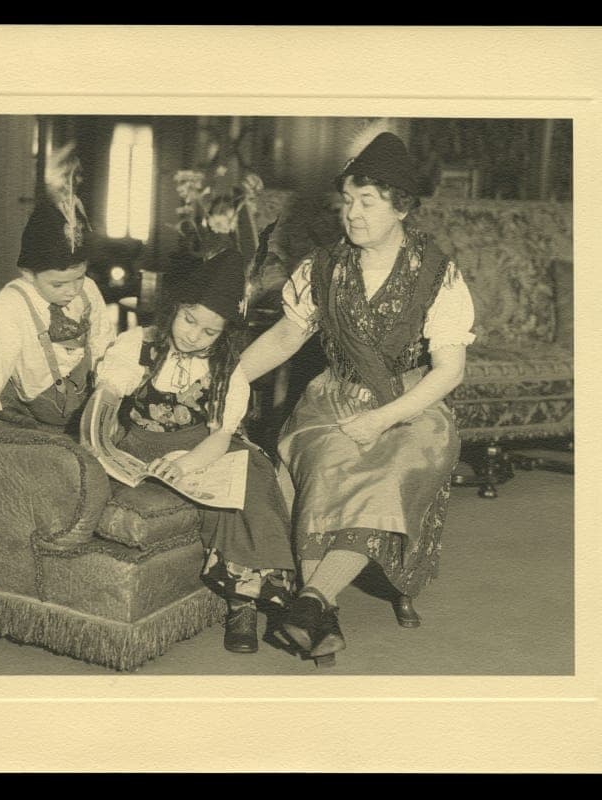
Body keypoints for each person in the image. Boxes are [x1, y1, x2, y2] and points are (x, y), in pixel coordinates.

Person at [238, 132, 476, 663]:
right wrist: (230, 379)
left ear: (401, 208)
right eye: (348, 201)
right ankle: (315, 605)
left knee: (393, 470)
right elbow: (284, 337)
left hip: (413, 404)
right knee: (325, 461)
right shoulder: (321, 267)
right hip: (334, 398)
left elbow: (450, 370)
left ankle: (312, 599)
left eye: (367, 202)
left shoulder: (440, 274)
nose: (353, 213)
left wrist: (382, 420)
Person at [96, 249, 296, 654]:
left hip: (200, 445)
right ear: (174, 308)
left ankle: (242, 603)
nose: (193, 335)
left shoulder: (227, 369)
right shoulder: (139, 344)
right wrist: (101, 416)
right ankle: (241, 595)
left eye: (209, 332)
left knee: (252, 476)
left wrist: (186, 464)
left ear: (224, 334)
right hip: (142, 442)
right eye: (189, 320)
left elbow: (220, 438)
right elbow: (108, 395)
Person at [0, 182, 116, 435]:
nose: (71, 290)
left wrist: (108, 389)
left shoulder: (88, 288)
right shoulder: (10, 303)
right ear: (28, 274)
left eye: (78, 277)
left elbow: (103, 340)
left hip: (90, 392)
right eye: (58, 284)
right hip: (48, 404)